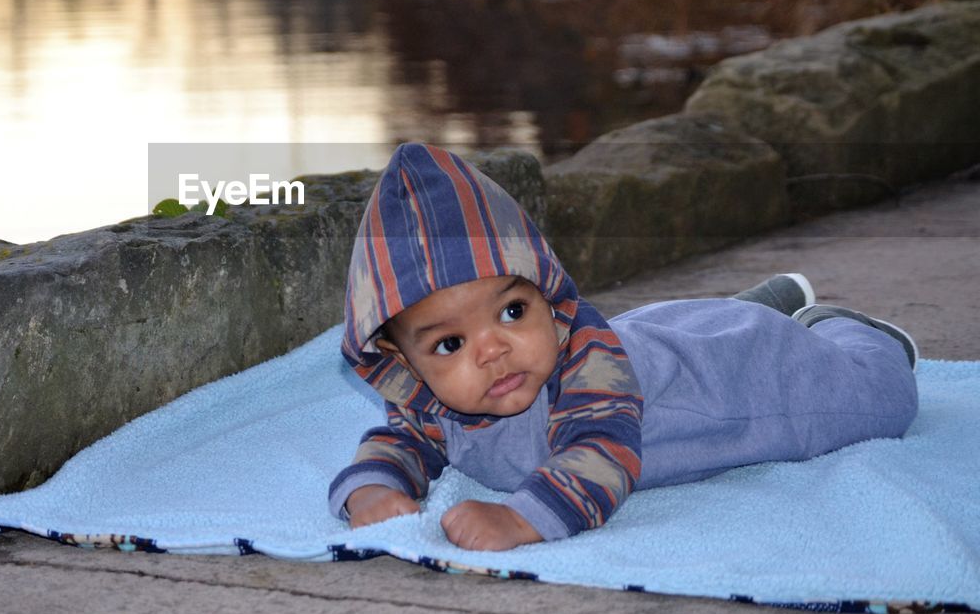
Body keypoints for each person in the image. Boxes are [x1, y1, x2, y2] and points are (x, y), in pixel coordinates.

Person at [328, 143, 919, 551]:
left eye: (513, 311)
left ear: (546, 291)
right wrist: (372, 488)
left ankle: (836, 326)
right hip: (651, 333)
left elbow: (601, 453)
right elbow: (401, 437)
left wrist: (519, 517)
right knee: (681, 323)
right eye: (451, 343)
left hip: (732, 378)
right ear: (403, 363)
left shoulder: (586, 366)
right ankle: (756, 303)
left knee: (884, 400)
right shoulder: (431, 401)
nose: (494, 350)